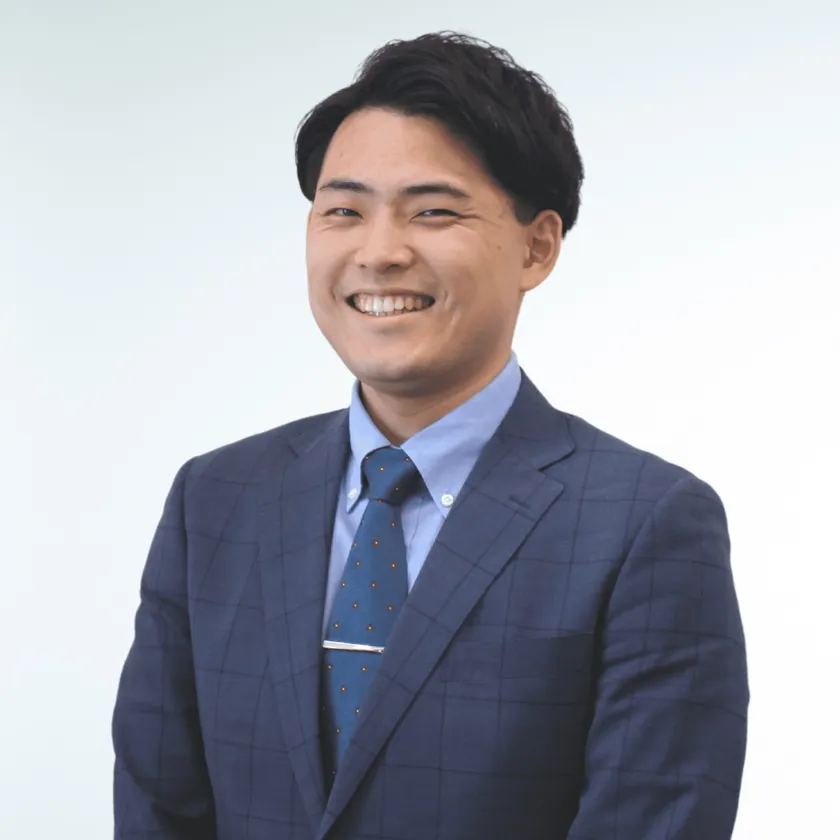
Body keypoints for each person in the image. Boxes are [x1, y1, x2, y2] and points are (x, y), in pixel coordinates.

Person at [112, 31, 749, 840]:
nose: (380, 252)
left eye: (434, 211)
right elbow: (158, 810)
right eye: (343, 211)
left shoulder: (645, 524)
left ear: (537, 246)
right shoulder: (215, 500)